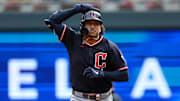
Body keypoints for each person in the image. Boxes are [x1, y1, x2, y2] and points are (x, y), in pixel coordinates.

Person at [44, 3, 129, 101]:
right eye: (89, 23)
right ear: (83, 26)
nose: (93, 27)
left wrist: (101, 74)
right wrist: (77, 9)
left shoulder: (109, 47)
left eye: (96, 24)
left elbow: (124, 75)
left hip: (103, 97)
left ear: (101, 27)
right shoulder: (73, 40)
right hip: (79, 97)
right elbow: (53, 20)